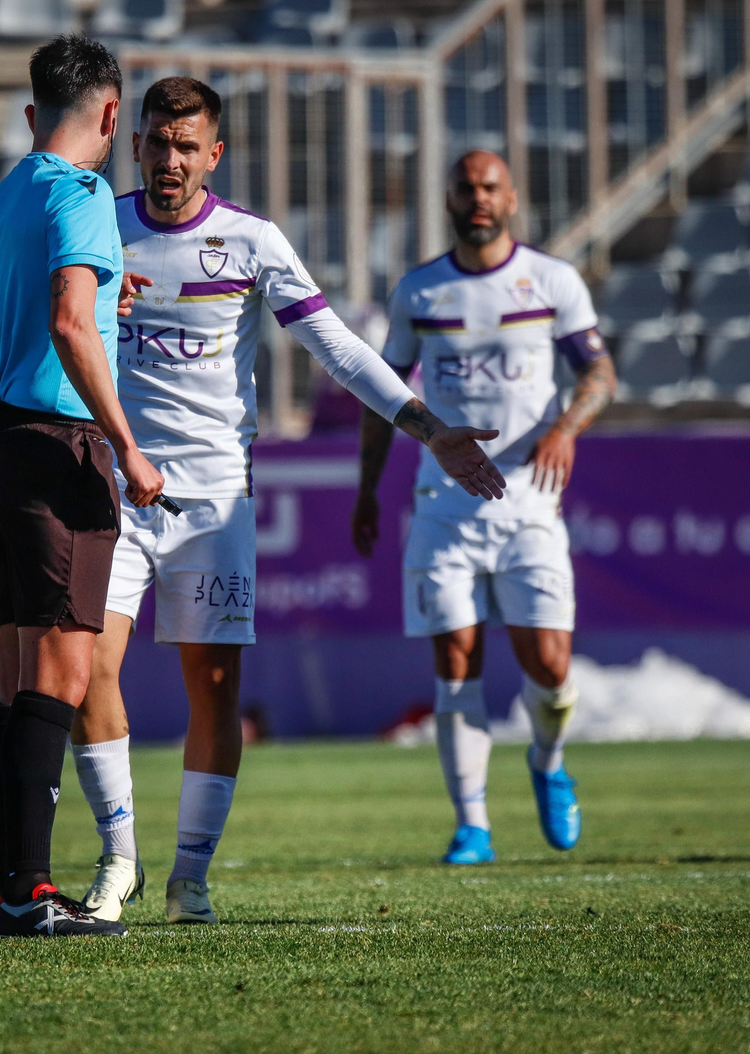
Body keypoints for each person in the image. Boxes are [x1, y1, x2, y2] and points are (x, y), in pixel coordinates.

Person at [67, 77, 507, 925]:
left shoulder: (251, 242)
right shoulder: (100, 228)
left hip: (215, 502)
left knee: (216, 687)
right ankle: (118, 859)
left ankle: (189, 877)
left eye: (186, 146)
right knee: (89, 669)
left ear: (214, 154)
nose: (169, 159)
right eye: (157, 141)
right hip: (113, 486)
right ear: (137, 143)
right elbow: (54, 330)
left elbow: (337, 348)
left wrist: (428, 426)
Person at [0, 35, 165, 938]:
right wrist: (130, 448)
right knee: (66, 671)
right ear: (112, 115)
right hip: (55, 452)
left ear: (35, 113)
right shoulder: (83, 198)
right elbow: (72, 325)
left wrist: (83, 308)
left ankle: (17, 892)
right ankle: (27, 895)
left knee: (14, 682)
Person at [352, 150, 618, 866]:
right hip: (443, 508)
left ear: (512, 198)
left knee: (551, 666)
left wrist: (566, 427)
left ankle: (548, 760)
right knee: (455, 662)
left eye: (491, 187)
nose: (479, 198)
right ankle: (473, 825)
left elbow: (598, 370)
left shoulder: (552, 280)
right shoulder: (422, 290)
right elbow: (384, 396)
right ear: (449, 197)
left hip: (532, 502)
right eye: (466, 187)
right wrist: (368, 489)